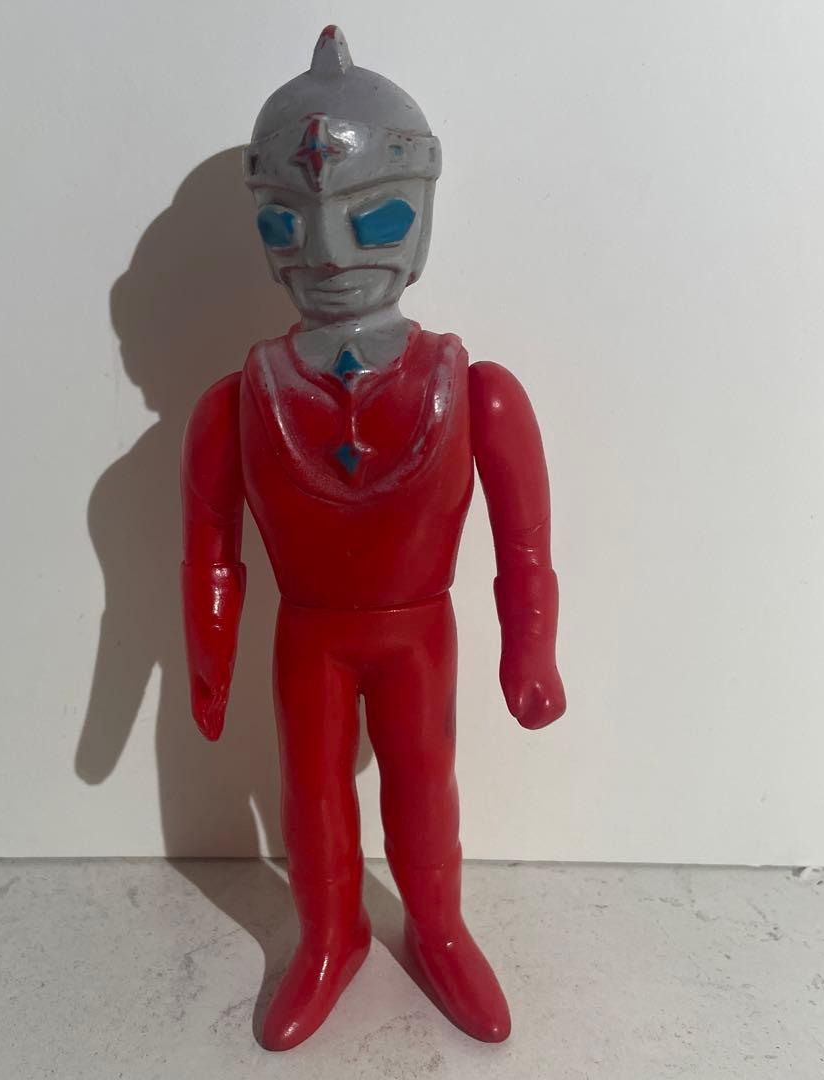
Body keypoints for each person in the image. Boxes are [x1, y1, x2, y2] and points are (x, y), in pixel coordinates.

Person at [181, 25, 565, 1051]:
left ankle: (436, 927)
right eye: (288, 223)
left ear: (423, 215)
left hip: (415, 634)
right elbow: (211, 547)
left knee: (424, 783)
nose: (331, 256)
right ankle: (330, 934)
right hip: (309, 633)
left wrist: (532, 652)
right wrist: (208, 657)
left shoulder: (475, 392)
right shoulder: (239, 404)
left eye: (375, 216)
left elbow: (525, 549)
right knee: (311, 793)